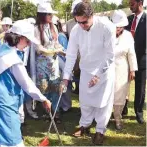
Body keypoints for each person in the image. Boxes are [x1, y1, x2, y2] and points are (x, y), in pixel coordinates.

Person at [0, 20, 51, 147]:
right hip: (4, 102)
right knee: (14, 141)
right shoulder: (13, 59)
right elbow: (27, 84)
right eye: (27, 41)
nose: (28, 44)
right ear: (19, 38)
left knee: (2, 140)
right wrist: (43, 99)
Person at [62, 1, 115, 145]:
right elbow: (71, 54)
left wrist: (98, 75)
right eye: (78, 22)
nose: (81, 25)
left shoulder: (106, 27)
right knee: (85, 101)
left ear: (92, 15)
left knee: (103, 103)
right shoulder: (76, 30)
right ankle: (85, 124)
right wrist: (66, 77)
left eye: (84, 22)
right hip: (86, 69)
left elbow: (110, 55)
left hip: (104, 71)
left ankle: (100, 130)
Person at [34, 2, 65, 123]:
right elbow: (38, 47)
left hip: (53, 63)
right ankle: (48, 113)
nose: (51, 16)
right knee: (44, 88)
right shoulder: (36, 29)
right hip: (42, 63)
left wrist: (62, 50)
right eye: (49, 14)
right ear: (42, 15)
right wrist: (52, 50)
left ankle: (56, 112)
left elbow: (57, 43)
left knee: (55, 87)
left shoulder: (54, 27)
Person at [111, 10, 138, 130]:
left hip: (122, 67)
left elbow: (132, 53)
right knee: (107, 94)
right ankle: (103, 118)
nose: (117, 28)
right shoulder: (107, 34)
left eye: (119, 26)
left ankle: (118, 118)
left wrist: (133, 70)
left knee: (120, 94)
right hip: (108, 68)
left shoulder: (128, 36)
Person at [125, 0, 146, 124]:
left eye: (132, 3)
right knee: (123, 84)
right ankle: (123, 108)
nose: (130, 6)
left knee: (140, 88)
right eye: (129, 3)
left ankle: (138, 113)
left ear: (140, 3)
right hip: (126, 60)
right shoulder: (128, 20)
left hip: (141, 60)